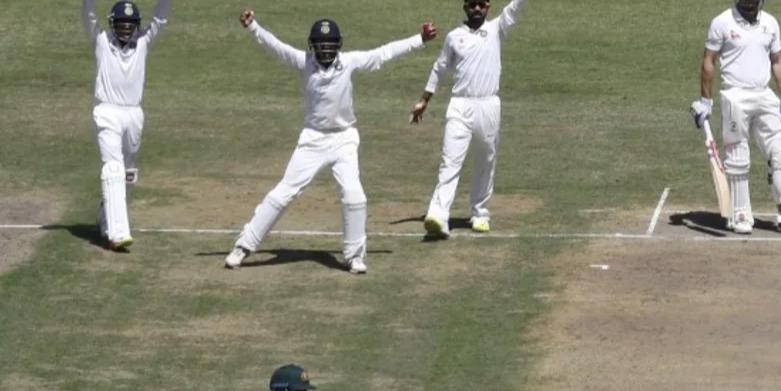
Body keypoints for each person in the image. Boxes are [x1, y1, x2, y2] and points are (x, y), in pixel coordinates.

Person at [224, 9, 439, 274]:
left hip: (344, 139)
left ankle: (354, 256)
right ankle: (243, 247)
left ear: (338, 45)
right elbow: (276, 47)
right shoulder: (303, 61)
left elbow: (384, 52)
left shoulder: (349, 62)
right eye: (320, 45)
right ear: (312, 45)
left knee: (354, 196)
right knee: (283, 193)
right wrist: (253, 27)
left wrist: (420, 39)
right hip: (312, 140)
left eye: (330, 45)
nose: (325, 51)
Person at [691, 0, 781, 236]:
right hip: (735, 95)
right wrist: (705, 101)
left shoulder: (770, 23)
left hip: (764, 94)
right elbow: (709, 60)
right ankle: (740, 215)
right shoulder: (722, 22)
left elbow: (777, 61)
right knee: (738, 158)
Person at [411, 0, 528, 239]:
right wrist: (424, 99)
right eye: (472, 5)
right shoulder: (455, 37)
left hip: (488, 104)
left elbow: (515, 8)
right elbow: (440, 67)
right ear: (465, 8)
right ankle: (438, 216)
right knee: (450, 160)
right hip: (460, 105)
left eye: (481, 5)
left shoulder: (497, 28)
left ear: (488, 7)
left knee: (486, 160)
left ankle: (480, 213)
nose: (477, 9)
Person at [82, 0, 173, 251]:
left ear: (136, 26)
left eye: (129, 25)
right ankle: (117, 232)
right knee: (113, 168)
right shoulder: (101, 40)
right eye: (121, 24)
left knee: (128, 175)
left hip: (134, 114)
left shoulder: (143, 42)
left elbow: (160, 19)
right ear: (113, 24)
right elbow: (88, 15)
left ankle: (104, 216)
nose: (125, 29)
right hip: (107, 112)